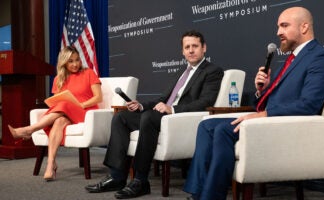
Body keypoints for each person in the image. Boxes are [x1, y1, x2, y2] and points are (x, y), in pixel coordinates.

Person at [183, 6, 324, 200]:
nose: (278, 32)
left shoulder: (321, 57)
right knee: (206, 125)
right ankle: (197, 193)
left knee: (225, 129)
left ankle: (211, 196)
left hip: (289, 128)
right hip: (273, 121)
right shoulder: (294, 58)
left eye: (284, 26)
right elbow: (270, 102)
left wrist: (264, 115)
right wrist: (262, 90)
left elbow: (309, 105)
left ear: (304, 26)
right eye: (278, 27)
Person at [85, 30, 224, 198]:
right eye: (187, 47)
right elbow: (161, 99)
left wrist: (172, 109)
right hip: (163, 116)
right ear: (182, 51)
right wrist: (141, 105)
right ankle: (117, 176)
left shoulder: (212, 71)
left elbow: (205, 102)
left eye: (195, 46)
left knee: (149, 117)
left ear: (204, 48)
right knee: (121, 117)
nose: (191, 50)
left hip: (180, 119)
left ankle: (140, 180)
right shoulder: (181, 72)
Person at [8, 46, 102, 181]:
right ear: (64, 62)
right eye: (70, 61)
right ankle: (51, 164)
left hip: (86, 112)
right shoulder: (59, 79)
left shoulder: (89, 73)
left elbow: (98, 97)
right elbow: (58, 101)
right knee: (58, 120)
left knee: (63, 105)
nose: (75, 64)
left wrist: (82, 104)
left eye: (77, 60)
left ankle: (29, 129)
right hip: (66, 113)